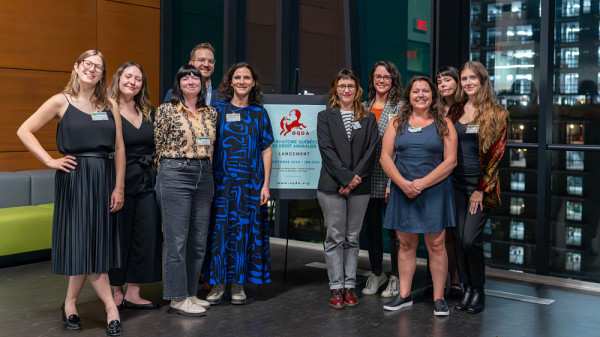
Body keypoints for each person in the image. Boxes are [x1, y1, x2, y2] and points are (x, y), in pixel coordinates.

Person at [17, 50, 125, 336]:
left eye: (98, 67)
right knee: (82, 243)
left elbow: (120, 148)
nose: (92, 69)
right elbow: (25, 130)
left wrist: (119, 186)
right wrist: (49, 160)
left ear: (103, 74)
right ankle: (111, 308)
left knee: (93, 245)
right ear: (76, 67)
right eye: (87, 64)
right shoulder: (59, 101)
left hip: (104, 178)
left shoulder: (109, 103)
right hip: (75, 179)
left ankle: (70, 303)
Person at [381, 76, 457, 316]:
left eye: (426, 90)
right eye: (416, 91)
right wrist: (403, 184)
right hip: (404, 191)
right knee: (405, 243)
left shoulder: (445, 123)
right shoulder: (396, 123)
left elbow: (451, 161)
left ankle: (438, 298)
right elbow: (385, 157)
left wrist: (421, 184)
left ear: (433, 96)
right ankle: (403, 295)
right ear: (409, 96)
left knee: (436, 245)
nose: (421, 94)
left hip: (434, 191)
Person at [205, 62, 273, 305]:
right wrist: (208, 183)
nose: (242, 81)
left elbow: (266, 150)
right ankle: (218, 284)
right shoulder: (217, 110)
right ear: (230, 82)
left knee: (245, 233)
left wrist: (265, 185)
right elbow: (209, 147)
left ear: (253, 82)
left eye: (247, 77)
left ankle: (238, 284)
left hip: (250, 185)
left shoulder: (259, 113)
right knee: (219, 234)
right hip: (221, 185)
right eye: (237, 77)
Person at [154, 64, 217, 316]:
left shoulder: (210, 113)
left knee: (198, 240)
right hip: (175, 173)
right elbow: (158, 147)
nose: (191, 81)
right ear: (178, 83)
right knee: (176, 241)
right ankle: (177, 297)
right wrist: (165, 176)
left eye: (196, 77)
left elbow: (212, 147)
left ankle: (191, 293)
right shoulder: (166, 110)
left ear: (202, 84)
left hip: (204, 174)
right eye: (186, 77)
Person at [317, 68, 378, 309]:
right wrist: (345, 178)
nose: (346, 90)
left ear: (357, 89)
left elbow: (371, 151)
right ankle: (336, 288)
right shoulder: (325, 116)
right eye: (341, 86)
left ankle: (349, 286)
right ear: (335, 89)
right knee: (335, 238)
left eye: (350, 86)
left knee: (352, 239)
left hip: (359, 187)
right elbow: (326, 150)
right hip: (331, 186)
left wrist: (354, 179)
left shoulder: (368, 117)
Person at [450, 61, 507, 314]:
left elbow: (496, 155)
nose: (468, 83)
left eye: (473, 78)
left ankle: (479, 290)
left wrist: (481, 189)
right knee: (457, 240)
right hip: (454, 184)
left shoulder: (497, 113)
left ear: (483, 81)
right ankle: (467, 289)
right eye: (464, 79)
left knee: (470, 240)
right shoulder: (455, 111)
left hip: (480, 186)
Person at [107, 62, 162, 310]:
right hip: (117, 180)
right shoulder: (106, 107)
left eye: (138, 78)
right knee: (118, 235)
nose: (132, 82)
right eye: (128, 76)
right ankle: (116, 292)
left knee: (146, 234)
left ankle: (134, 292)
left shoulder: (149, 109)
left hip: (147, 181)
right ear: (119, 78)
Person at [361, 61, 403, 298]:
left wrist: (391, 183)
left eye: (386, 77)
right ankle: (377, 273)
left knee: (394, 232)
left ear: (393, 80)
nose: (381, 80)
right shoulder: (363, 106)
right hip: (366, 179)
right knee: (372, 230)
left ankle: (396, 277)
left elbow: (399, 149)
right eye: (378, 76)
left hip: (390, 178)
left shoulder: (401, 107)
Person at [434, 65, 462, 299]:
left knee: (459, 232)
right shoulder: (436, 109)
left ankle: (459, 281)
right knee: (443, 233)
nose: (443, 85)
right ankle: (443, 284)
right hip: (439, 174)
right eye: (439, 81)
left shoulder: (466, 108)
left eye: (447, 80)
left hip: (462, 174)